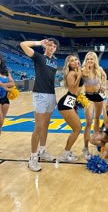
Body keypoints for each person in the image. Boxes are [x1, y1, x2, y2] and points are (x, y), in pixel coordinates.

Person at [20, 38, 59, 172]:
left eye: (54, 46)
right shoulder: (38, 57)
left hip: (51, 95)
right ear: (45, 46)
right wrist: (38, 43)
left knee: (46, 126)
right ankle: (32, 158)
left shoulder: (54, 61)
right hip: (40, 95)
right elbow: (23, 44)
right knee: (38, 127)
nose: (52, 47)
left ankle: (42, 151)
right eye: (49, 45)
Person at [57, 55, 83, 162]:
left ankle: (67, 152)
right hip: (66, 103)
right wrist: (80, 76)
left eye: (76, 59)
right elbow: (72, 89)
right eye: (72, 61)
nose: (75, 62)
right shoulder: (71, 74)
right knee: (77, 129)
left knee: (76, 129)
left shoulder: (76, 72)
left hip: (71, 102)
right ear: (68, 64)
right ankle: (65, 154)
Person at [82, 51, 107, 160]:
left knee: (97, 118)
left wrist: (104, 85)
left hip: (98, 95)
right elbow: (85, 75)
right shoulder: (84, 70)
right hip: (88, 96)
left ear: (95, 60)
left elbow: (104, 76)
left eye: (91, 59)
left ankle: (97, 141)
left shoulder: (99, 69)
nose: (89, 61)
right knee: (89, 121)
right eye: (88, 59)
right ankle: (85, 147)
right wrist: (87, 66)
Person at [0, 56, 15, 135]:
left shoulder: (6, 72)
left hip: (5, 98)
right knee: (0, 120)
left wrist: (2, 85)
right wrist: (6, 86)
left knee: (1, 124)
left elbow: (12, 83)